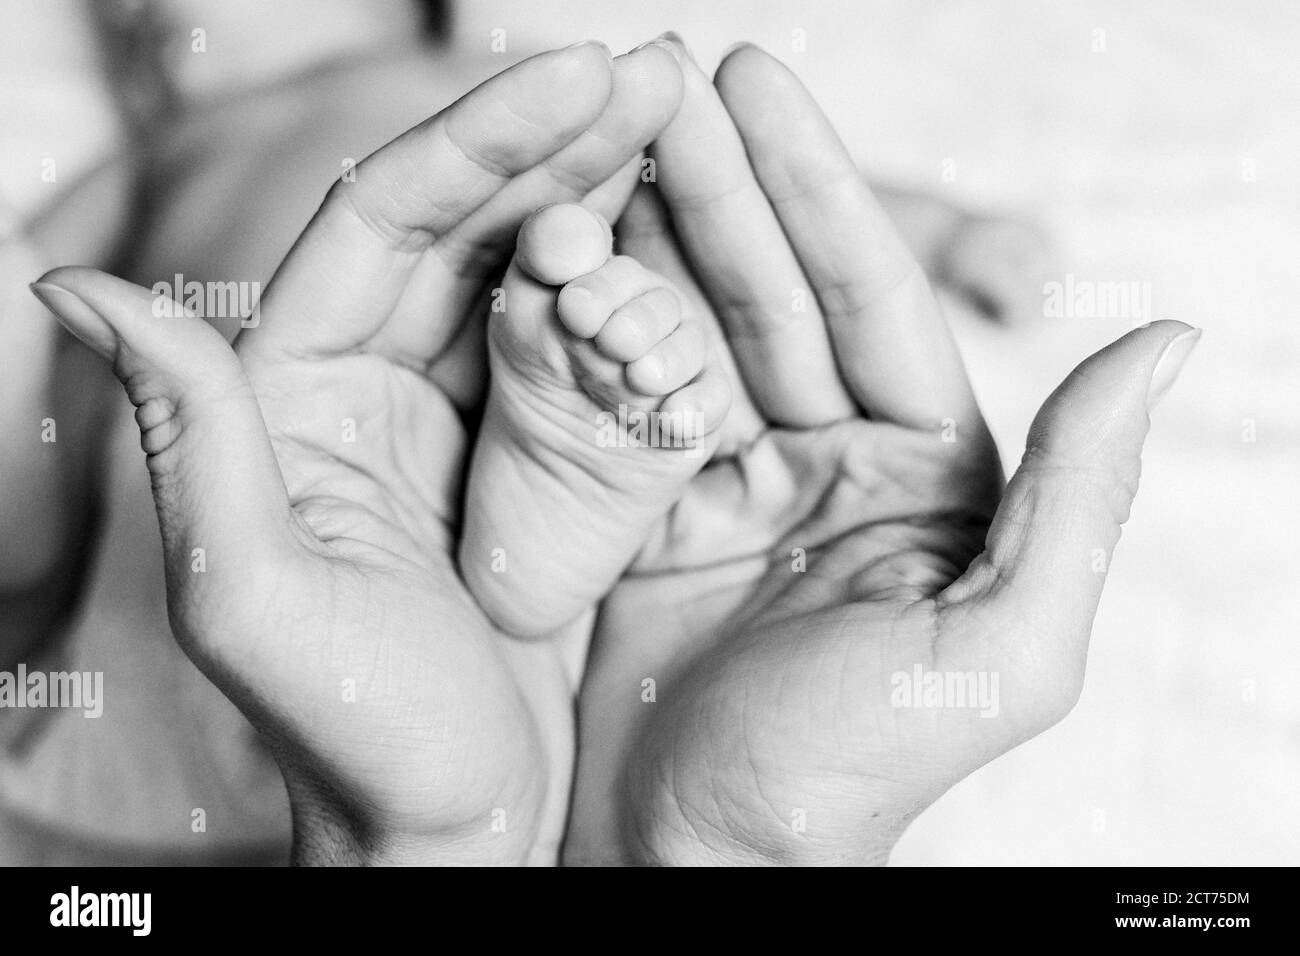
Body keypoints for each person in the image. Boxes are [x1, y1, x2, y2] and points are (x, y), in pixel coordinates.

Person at [29, 36, 1197, 864]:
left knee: (589, 270)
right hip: (278, 480)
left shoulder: (483, 82)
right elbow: (37, 275)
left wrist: (955, 228)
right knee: (140, 490)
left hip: (380, 428)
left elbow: (744, 184)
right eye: (122, 16)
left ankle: (552, 449)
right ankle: (553, 478)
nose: (144, 18)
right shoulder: (159, 148)